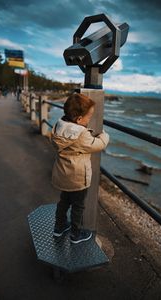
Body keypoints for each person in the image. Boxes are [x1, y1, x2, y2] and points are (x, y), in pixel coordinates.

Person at [50, 93, 109, 244]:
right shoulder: (81, 134)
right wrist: (104, 136)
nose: (90, 120)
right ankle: (76, 234)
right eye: (89, 117)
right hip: (77, 177)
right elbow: (97, 145)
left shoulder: (58, 126)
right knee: (78, 206)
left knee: (64, 202)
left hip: (63, 174)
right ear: (79, 119)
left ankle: (59, 227)